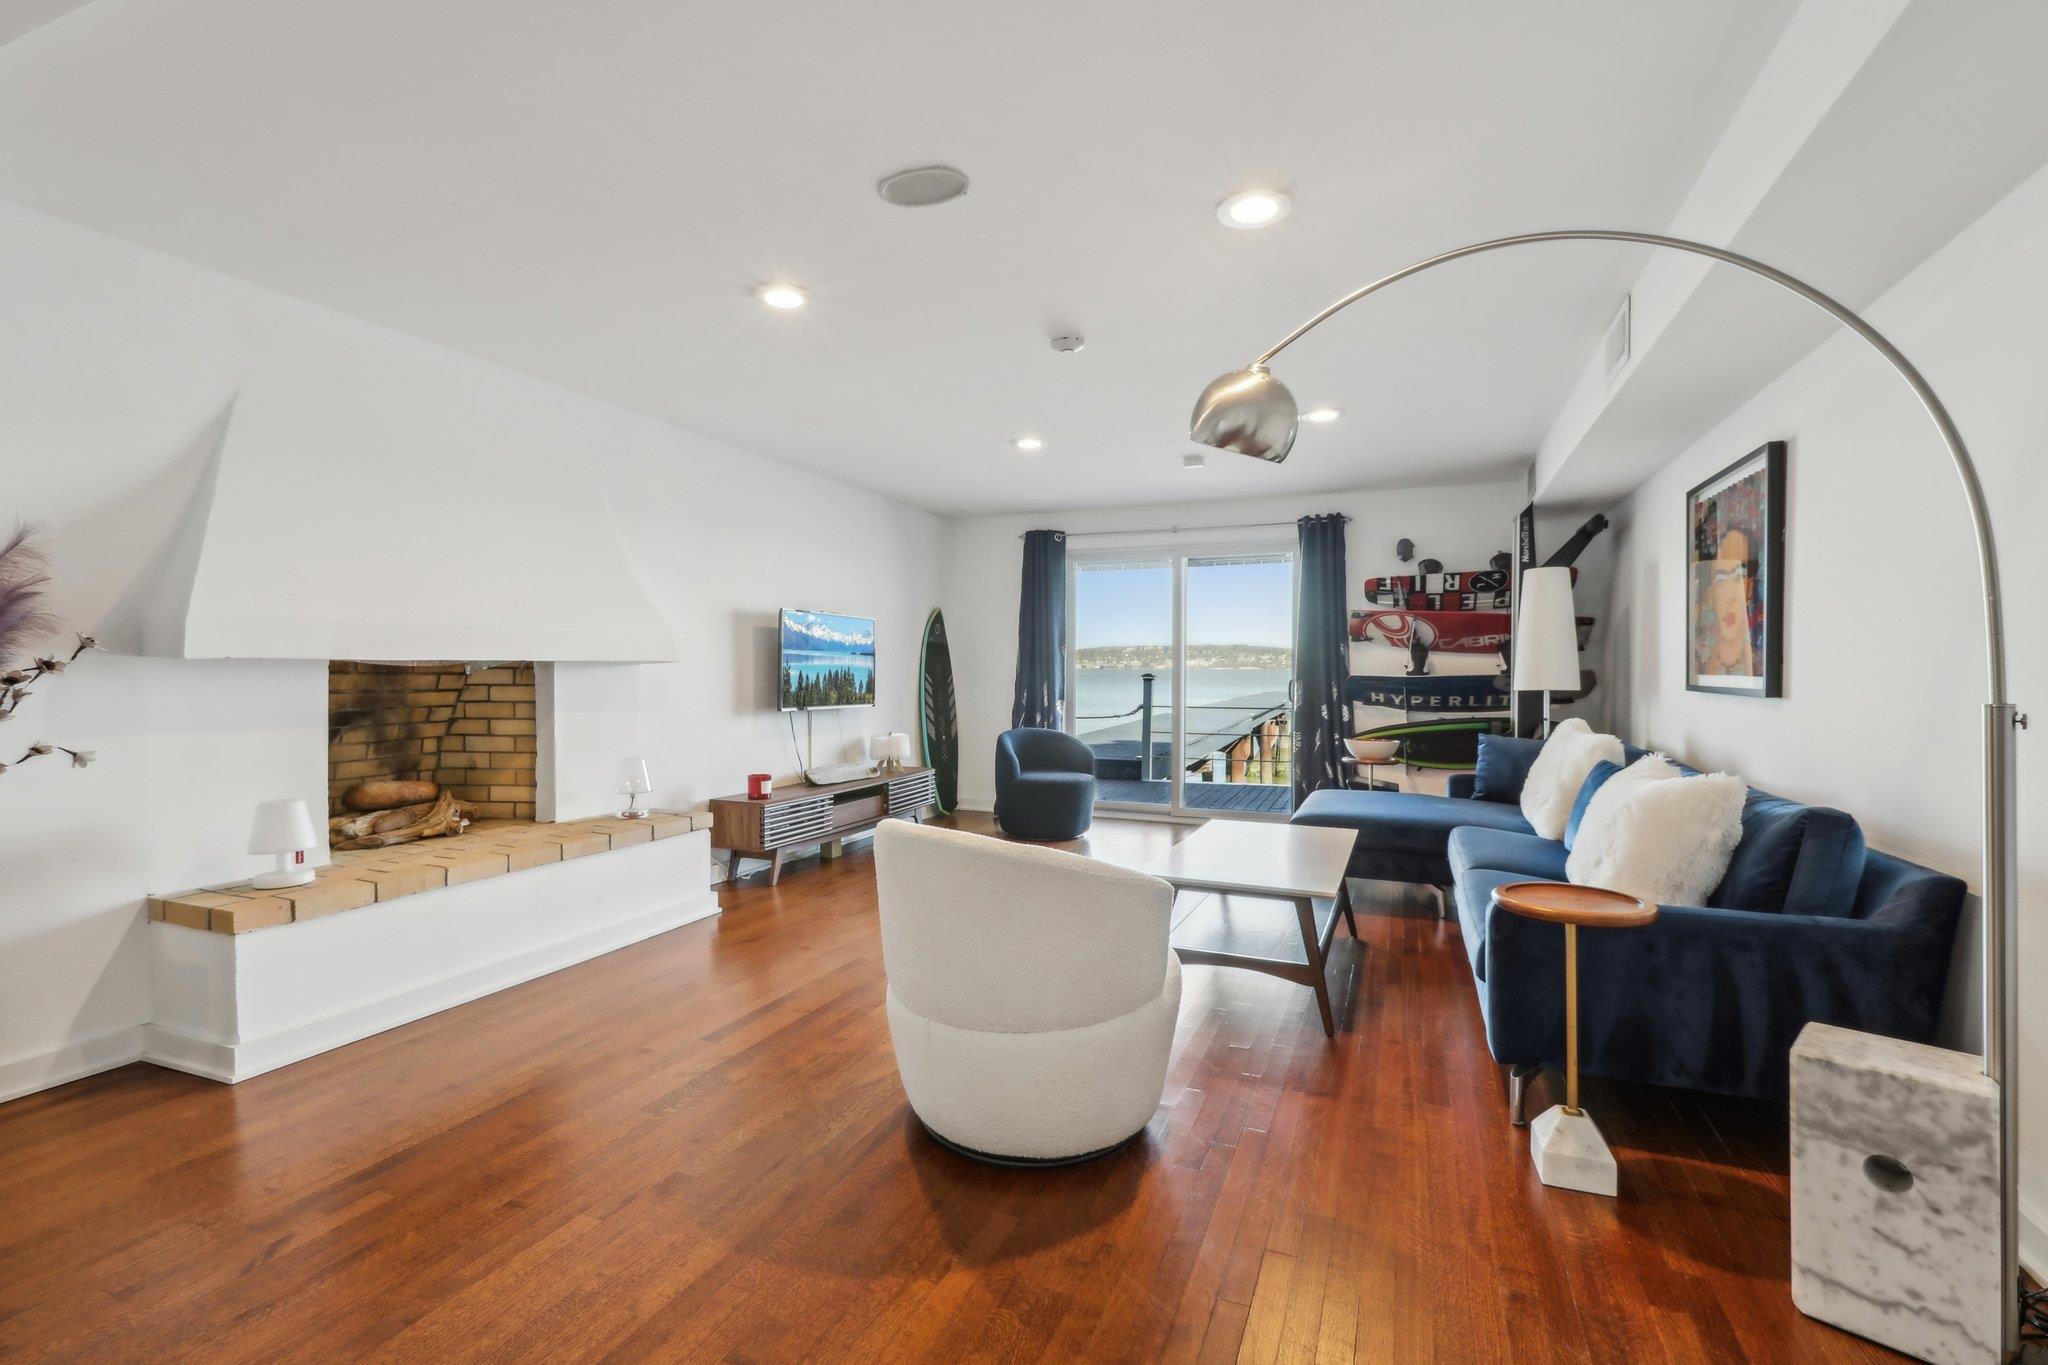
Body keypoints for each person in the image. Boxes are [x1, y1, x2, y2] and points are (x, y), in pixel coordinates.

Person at [1695, 521, 1758, 677]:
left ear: (1749, 588)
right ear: (1710, 594)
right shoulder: (1698, 658)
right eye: (1721, 580)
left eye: (1738, 577)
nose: (1730, 597)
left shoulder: (1760, 662)